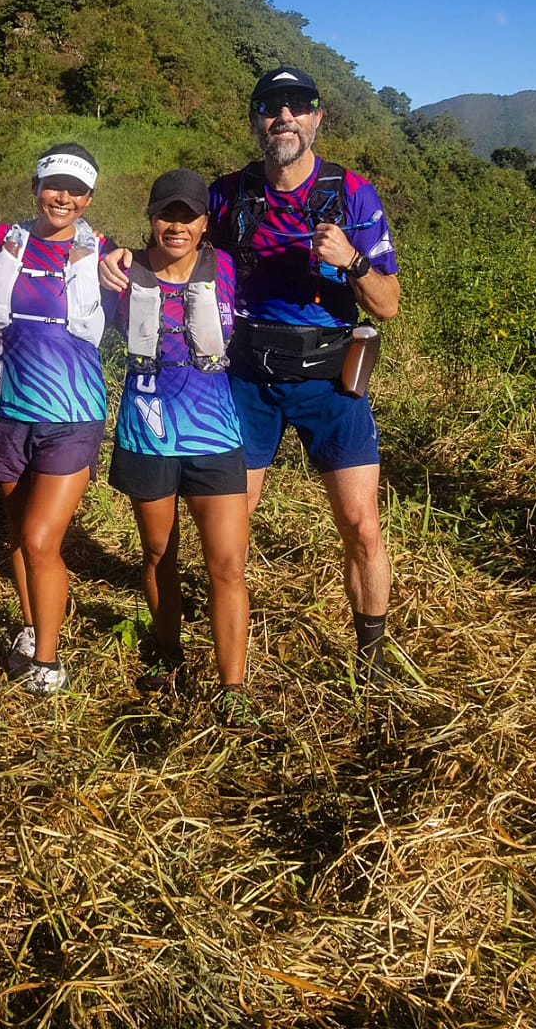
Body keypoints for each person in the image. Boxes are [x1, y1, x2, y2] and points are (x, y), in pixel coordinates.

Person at [103, 66, 401, 685]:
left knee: (362, 525)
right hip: (246, 378)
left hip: (329, 376)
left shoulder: (354, 195)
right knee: (229, 538)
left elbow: (389, 302)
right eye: (271, 106)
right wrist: (127, 257)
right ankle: (209, 660)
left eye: (297, 105)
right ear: (255, 120)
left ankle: (370, 661)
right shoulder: (227, 194)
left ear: (318, 117)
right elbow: (174, 240)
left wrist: (350, 262)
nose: (284, 116)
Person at [106, 169, 253, 723]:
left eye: (187, 215)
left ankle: (232, 689)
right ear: (150, 218)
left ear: (204, 223)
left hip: (216, 438)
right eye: (166, 214)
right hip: (147, 434)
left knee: (227, 566)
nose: (176, 225)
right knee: (158, 553)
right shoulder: (122, 272)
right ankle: (168, 654)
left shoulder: (230, 269)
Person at [0, 143, 111, 694]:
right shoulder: (5, 241)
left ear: (88, 199)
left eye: (77, 191)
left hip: (73, 414)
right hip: (7, 409)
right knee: (19, 534)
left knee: (39, 539)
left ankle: (48, 663)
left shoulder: (103, 255)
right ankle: (33, 627)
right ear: (36, 188)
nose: (64, 198)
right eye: (55, 186)